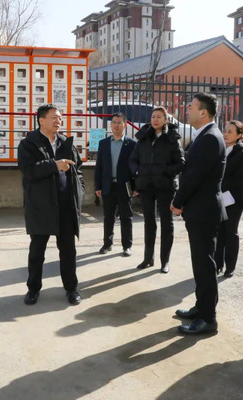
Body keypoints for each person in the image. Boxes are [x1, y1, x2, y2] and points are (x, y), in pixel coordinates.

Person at [18, 104, 85, 306]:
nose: (59, 121)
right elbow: (29, 170)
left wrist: (79, 190)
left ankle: (71, 288)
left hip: (65, 205)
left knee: (68, 251)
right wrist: (55, 165)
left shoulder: (66, 143)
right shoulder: (29, 144)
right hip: (41, 206)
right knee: (37, 252)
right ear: (41, 120)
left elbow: (78, 170)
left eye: (60, 118)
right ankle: (33, 289)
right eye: (54, 117)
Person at [171, 93, 226, 335]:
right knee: (201, 263)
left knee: (204, 265)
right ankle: (202, 307)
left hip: (203, 210)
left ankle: (208, 318)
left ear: (203, 112)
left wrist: (177, 201)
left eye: (191, 106)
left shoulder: (210, 138)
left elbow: (194, 177)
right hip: (201, 209)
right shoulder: (205, 135)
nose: (187, 109)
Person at [129, 106, 185, 273]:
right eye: (153, 116)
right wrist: (138, 172)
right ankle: (148, 258)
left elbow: (181, 163)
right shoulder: (143, 138)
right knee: (149, 222)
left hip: (165, 186)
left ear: (166, 120)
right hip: (146, 185)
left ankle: (164, 261)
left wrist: (165, 171)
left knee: (166, 223)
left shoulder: (172, 138)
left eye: (159, 117)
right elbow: (133, 159)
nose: (155, 120)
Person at [94, 112, 136, 257]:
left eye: (119, 123)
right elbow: (99, 166)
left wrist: (135, 186)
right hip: (108, 185)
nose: (116, 125)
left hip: (124, 186)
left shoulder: (132, 144)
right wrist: (98, 186)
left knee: (126, 217)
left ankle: (127, 246)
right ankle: (107, 244)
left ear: (125, 125)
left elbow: (136, 168)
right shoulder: (104, 143)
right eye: (113, 122)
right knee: (108, 217)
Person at [215, 120, 243, 278]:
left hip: (233, 199)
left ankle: (230, 266)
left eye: (230, 132)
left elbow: (239, 179)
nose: (226, 134)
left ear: (239, 135)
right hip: (218, 198)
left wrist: (218, 185)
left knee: (230, 232)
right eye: (225, 131)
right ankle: (217, 264)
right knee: (218, 232)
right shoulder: (219, 149)